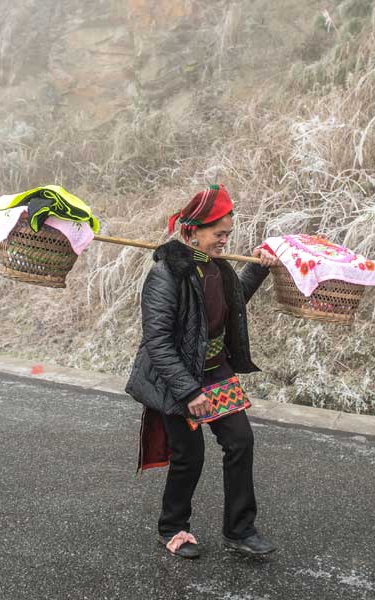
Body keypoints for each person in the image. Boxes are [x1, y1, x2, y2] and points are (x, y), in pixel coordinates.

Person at [125, 184, 280, 558]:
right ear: (192, 231)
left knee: (240, 441)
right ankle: (172, 527)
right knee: (189, 454)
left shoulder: (218, 267)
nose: (225, 241)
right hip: (178, 377)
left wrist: (258, 269)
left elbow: (232, 299)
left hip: (214, 370)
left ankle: (239, 530)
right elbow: (158, 340)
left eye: (228, 234)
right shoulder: (167, 274)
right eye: (219, 234)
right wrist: (189, 392)